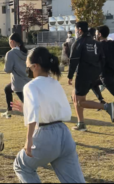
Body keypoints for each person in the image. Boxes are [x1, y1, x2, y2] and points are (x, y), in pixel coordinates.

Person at [11, 47, 85, 183]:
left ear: (36, 66)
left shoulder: (30, 86)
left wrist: (29, 140)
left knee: (21, 166)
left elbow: (33, 112)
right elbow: (55, 108)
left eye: (29, 67)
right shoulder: (54, 82)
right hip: (64, 135)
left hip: (45, 136)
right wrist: (25, 109)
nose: (27, 70)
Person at [68, 21, 114, 132]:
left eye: (75, 30)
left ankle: (106, 107)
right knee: (75, 95)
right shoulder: (96, 43)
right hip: (94, 74)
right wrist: (97, 72)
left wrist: (70, 76)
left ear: (79, 30)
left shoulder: (79, 42)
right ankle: (81, 123)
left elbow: (73, 60)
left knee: (80, 101)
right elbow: (102, 59)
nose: (75, 32)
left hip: (83, 75)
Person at [2, 33, 31, 119]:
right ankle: (9, 110)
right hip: (29, 80)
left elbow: (8, 69)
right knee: (7, 89)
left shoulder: (11, 53)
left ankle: (38, 121)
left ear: (13, 42)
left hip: (18, 83)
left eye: (9, 42)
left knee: (29, 107)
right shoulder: (27, 52)